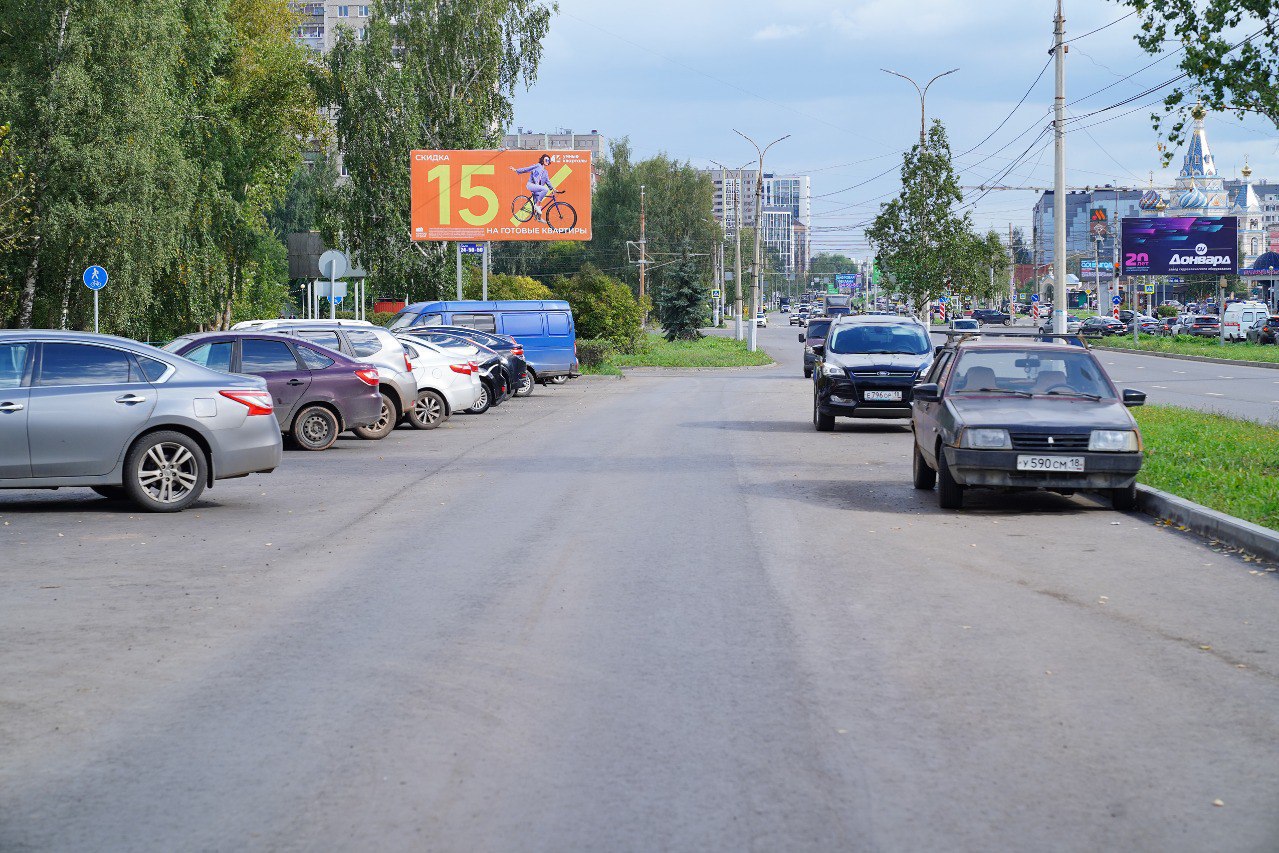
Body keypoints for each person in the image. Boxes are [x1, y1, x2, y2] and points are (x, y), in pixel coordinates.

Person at [511, 155, 555, 221]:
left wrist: (552, 188)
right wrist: (516, 170)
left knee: (538, 205)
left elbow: (547, 181)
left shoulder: (545, 172)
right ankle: (537, 205)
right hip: (531, 185)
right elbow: (527, 169)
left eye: (548, 161)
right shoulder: (537, 166)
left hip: (537, 188)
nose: (547, 162)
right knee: (545, 190)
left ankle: (538, 217)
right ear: (542, 160)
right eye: (546, 160)